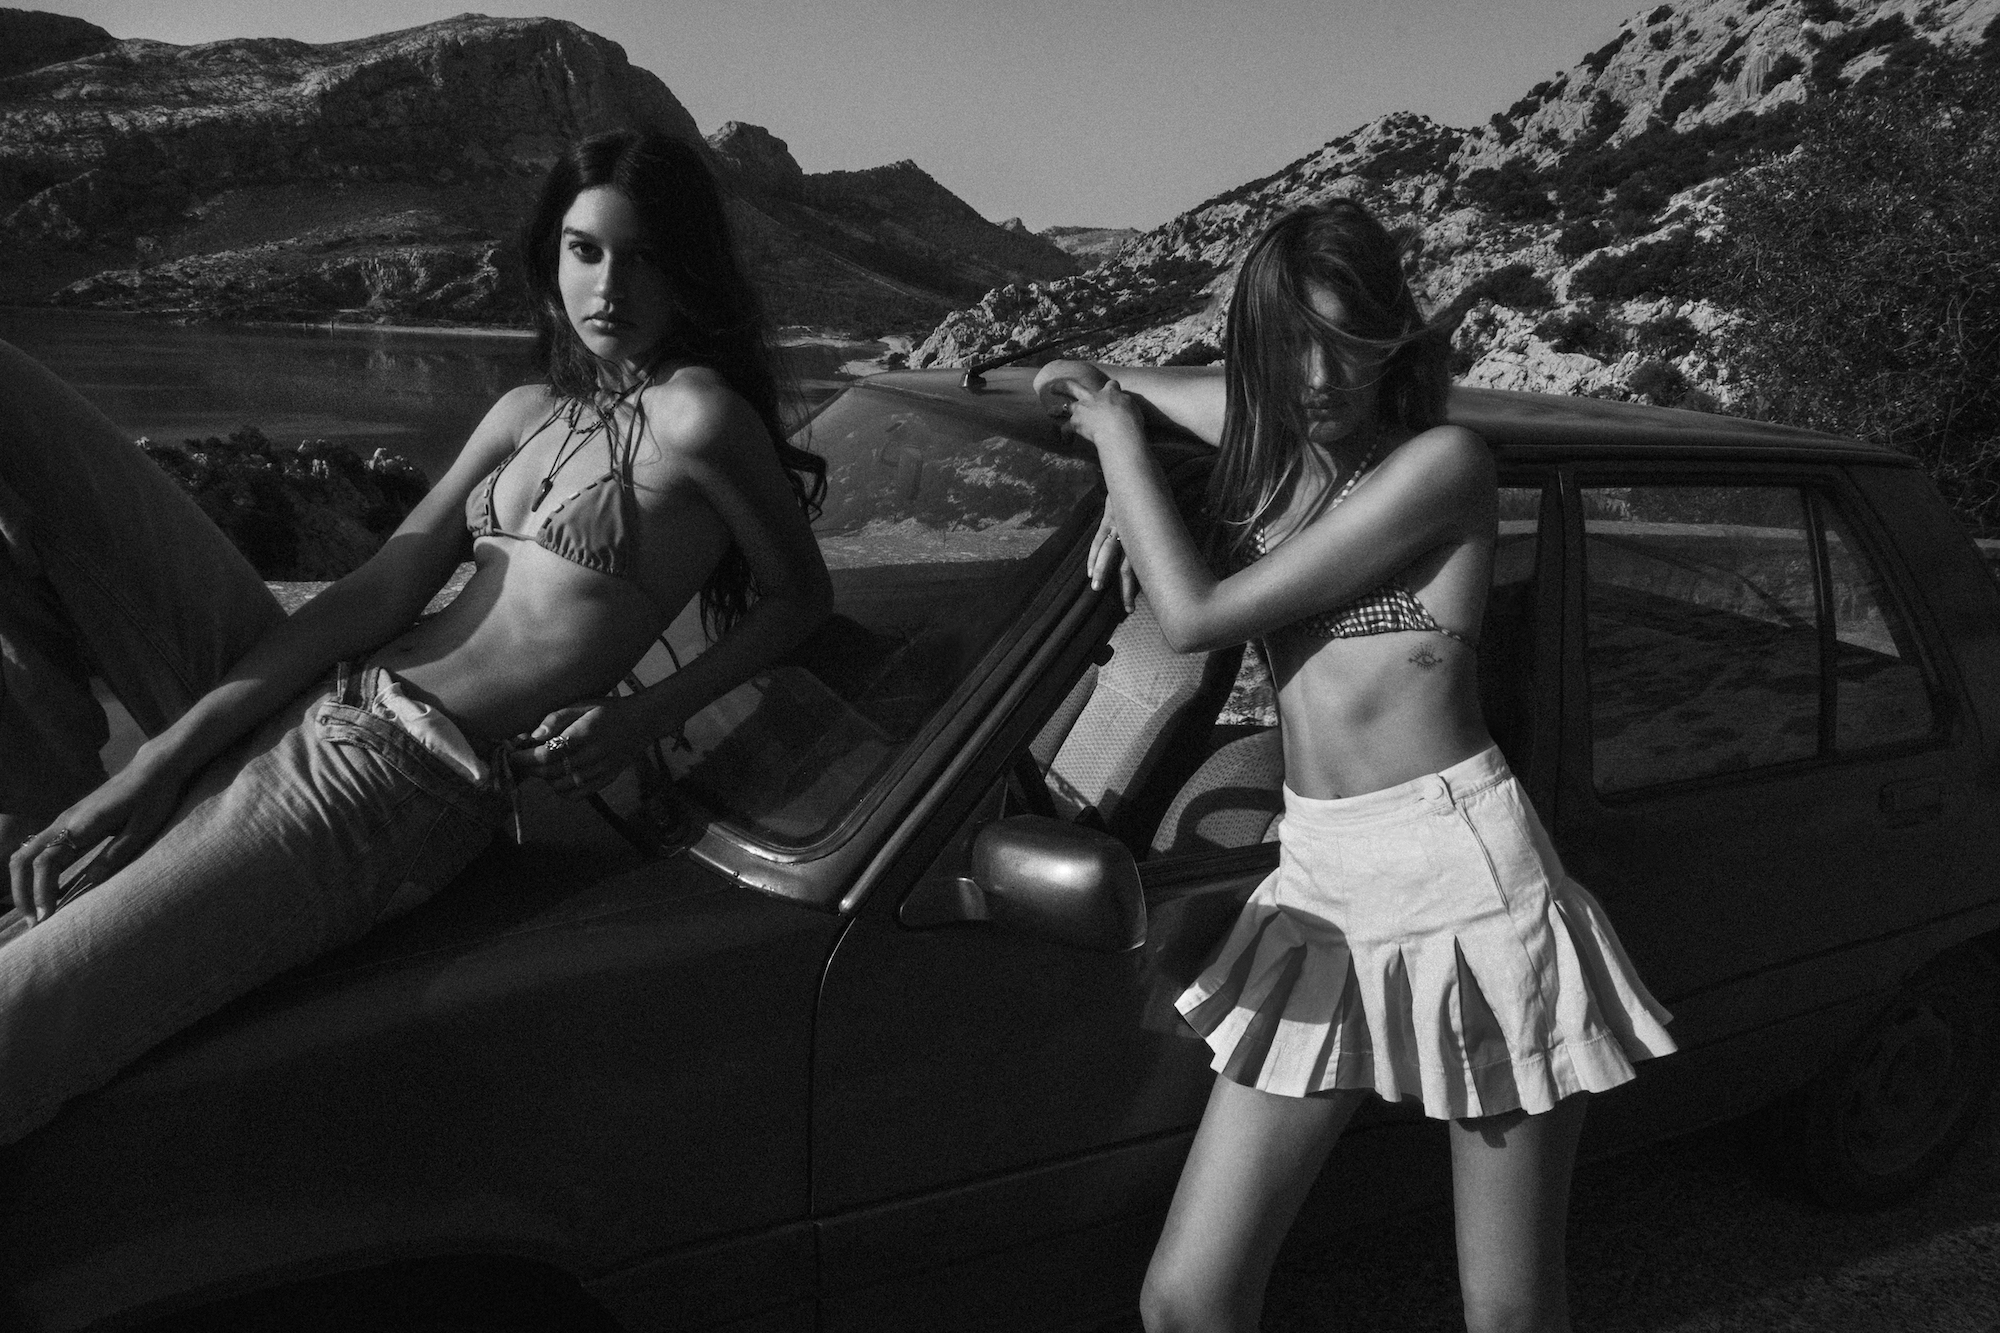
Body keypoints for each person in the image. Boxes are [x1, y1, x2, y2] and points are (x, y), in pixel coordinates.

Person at [0, 129, 833, 1144]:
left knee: (26, 1011)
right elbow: (379, 588)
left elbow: (800, 598)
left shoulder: (698, 417)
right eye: (584, 250)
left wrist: (642, 715)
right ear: (550, 256)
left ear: (689, 265)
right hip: (328, 694)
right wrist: (158, 764)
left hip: (391, 787)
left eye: (643, 254)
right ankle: (43, 808)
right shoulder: (527, 409)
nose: (608, 284)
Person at [1034, 200, 1675, 1333]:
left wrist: (1126, 464)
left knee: (1509, 1312)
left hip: (1462, 874)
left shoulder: (1439, 465)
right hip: (1319, 877)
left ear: (1394, 343)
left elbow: (1194, 615)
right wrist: (1104, 410)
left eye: (1347, 342)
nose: (1319, 375)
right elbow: (1100, 376)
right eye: (1288, 344)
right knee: (1187, 1298)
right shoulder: (1275, 427)